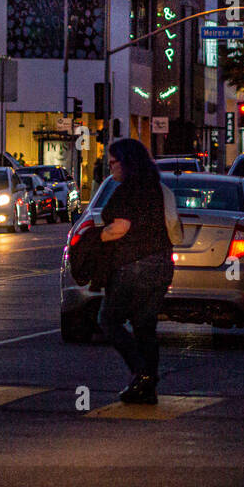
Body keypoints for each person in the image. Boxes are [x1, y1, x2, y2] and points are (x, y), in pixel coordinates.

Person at [97, 137, 177, 404]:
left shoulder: (129, 189)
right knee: (145, 326)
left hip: (134, 263)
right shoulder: (155, 187)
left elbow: (120, 226)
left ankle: (141, 374)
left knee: (109, 320)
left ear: (127, 162)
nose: (110, 168)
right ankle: (147, 387)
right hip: (161, 262)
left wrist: (97, 237)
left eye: (113, 162)